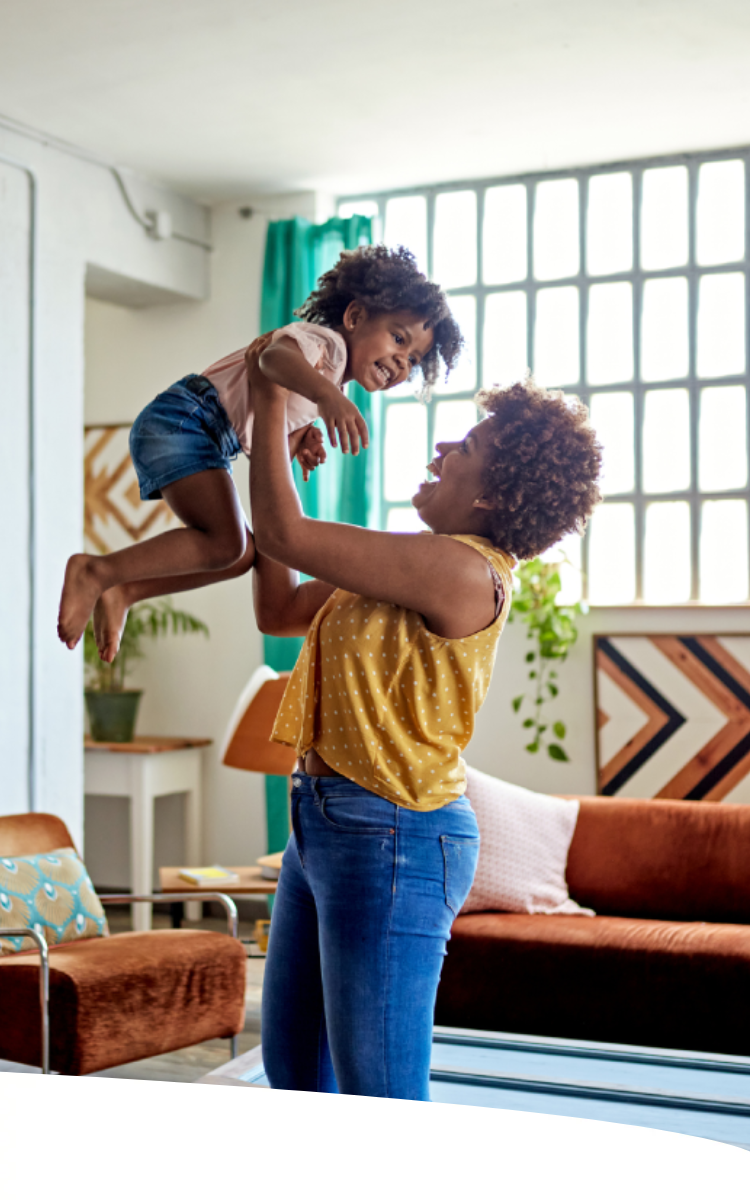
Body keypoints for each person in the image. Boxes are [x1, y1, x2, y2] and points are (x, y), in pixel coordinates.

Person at [246, 331, 603, 1101]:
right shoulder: (411, 564)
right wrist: (272, 452)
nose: (443, 446)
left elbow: (283, 534)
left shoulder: (464, 569)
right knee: (299, 1080)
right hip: (323, 823)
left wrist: (269, 403)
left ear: (494, 495)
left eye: (467, 444)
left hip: (394, 836)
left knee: (384, 1101)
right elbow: (278, 608)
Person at [56, 245, 463, 662]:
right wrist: (324, 398)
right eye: (398, 338)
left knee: (235, 556)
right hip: (186, 420)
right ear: (355, 317)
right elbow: (272, 358)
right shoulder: (325, 346)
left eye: (413, 359)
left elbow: (268, 427)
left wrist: (301, 437)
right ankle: (97, 570)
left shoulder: (331, 379)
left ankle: (126, 588)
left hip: (201, 434)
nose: (401, 361)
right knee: (227, 544)